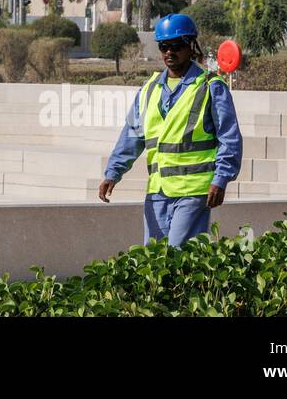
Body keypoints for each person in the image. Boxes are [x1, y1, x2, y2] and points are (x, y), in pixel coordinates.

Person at [98, 13, 243, 247]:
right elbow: (132, 136)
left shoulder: (211, 87)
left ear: (190, 46)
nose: (169, 52)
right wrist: (113, 172)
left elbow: (229, 138)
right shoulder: (150, 89)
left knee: (178, 255)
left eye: (176, 45)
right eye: (164, 46)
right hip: (158, 191)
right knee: (154, 261)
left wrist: (221, 178)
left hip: (194, 191)